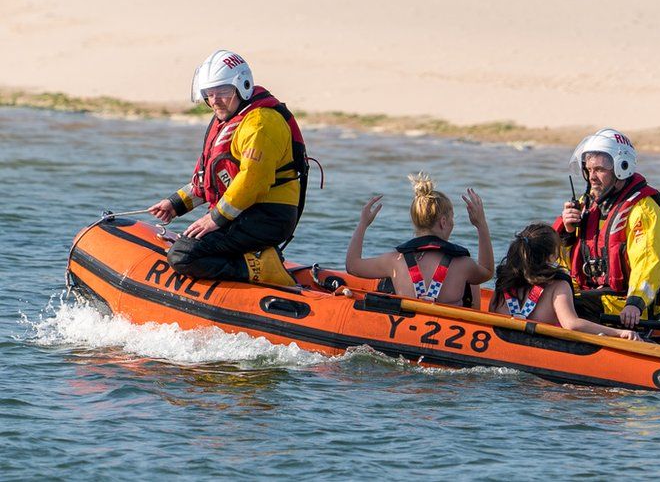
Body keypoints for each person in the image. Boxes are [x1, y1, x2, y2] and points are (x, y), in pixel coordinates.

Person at [148, 49, 309, 286]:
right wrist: (175, 204)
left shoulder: (261, 123)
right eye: (208, 94)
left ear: (242, 86)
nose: (214, 100)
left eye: (222, 91)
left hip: (269, 216)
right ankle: (253, 259)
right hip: (244, 212)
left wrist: (215, 219)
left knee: (183, 255)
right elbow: (210, 180)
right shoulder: (229, 117)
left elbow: (252, 182)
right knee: (190, 243)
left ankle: (262, 268)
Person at [554, 128, 660, 327]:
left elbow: (648, 262)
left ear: (623, 167)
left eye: (599, 170)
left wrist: (635, 303)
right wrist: (568, 234)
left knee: (564, 308)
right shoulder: (586, 205)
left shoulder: (643, 210)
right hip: (596, 293)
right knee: (543, 296)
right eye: (588, 169)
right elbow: (568, 266)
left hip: (632, 305)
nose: (592, 177)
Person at [346, 173, 493, 307]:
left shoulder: (395, 261)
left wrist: (363, 224)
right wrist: (481, 224)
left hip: (405, 330)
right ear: (443, 222)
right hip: (449, 332)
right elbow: (487, 271)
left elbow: (352, 266)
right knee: (473, 283)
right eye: (452, 218)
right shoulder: (463, 264)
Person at [490, 224, 640, 341]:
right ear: (551, 256)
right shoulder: (558, 286)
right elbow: (572, 324)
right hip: (542, 352)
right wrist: (619, 332)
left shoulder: (504, 282)